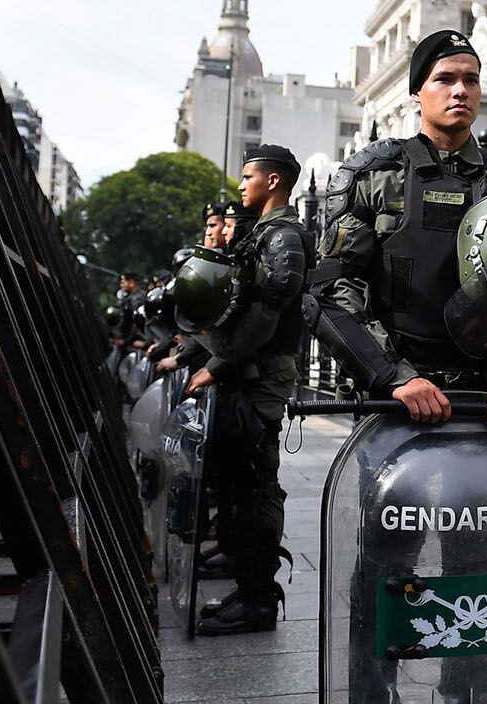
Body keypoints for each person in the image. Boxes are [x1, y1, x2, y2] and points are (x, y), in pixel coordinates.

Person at [308, 28, 487, 698]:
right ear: (418, 90)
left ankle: (467, 692)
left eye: (471, 79)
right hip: (397, 404)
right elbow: (332, 294)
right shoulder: (370, 177)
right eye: (446, 78)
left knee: (477, 568)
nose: (460, 91)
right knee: (384, 561)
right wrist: (395, 377)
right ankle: (373, 689)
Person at [170, 145, 313, 635]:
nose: (242, 186)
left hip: (260, 381)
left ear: (273, 181)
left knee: (256, 489)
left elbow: (269, 312)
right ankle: (247, 585)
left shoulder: (286, 237)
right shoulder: (264, 237)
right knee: (237, 483)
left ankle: (258, 601)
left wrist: (219, 363)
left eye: (249, 177)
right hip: (242, 377)